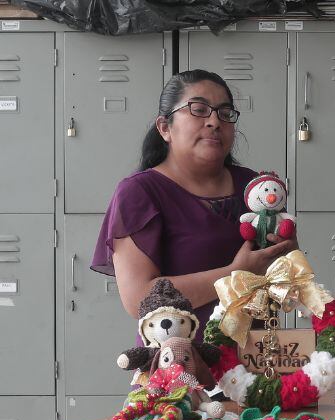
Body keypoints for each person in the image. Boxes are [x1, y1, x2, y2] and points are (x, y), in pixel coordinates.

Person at [92, 70, 297, 340]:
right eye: (198, 110)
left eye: (225, 113)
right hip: (181, 366)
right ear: (165, 127)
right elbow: (138, 299)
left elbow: (283, 279)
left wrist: (288, 255)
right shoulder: (140, 192)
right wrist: (235, 274)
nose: (214, 121)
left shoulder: (253, 186)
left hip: (255, 360)